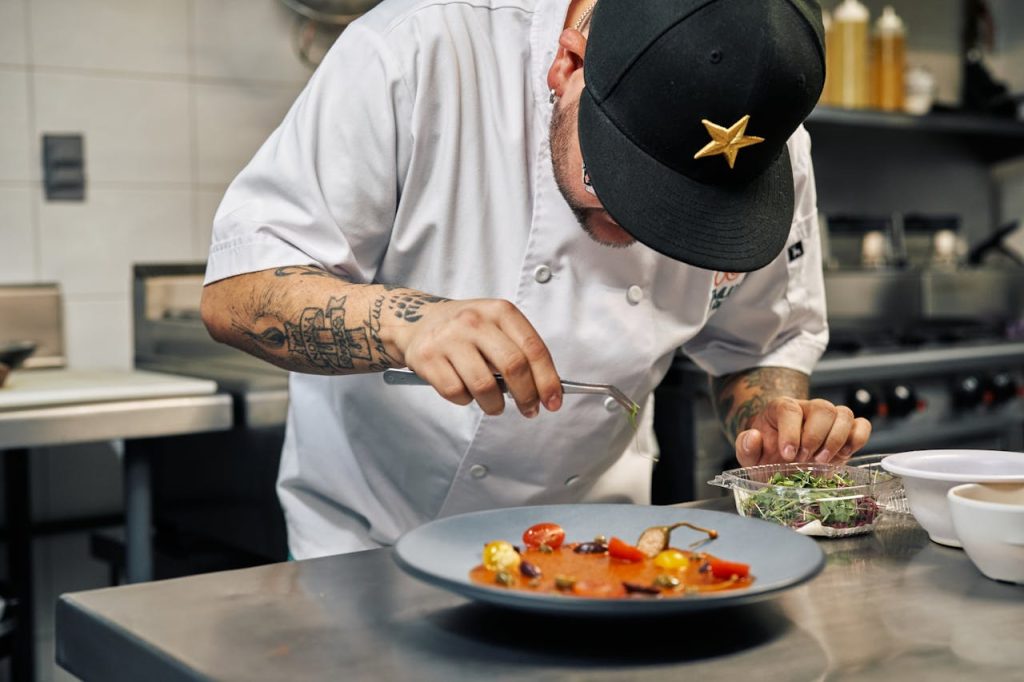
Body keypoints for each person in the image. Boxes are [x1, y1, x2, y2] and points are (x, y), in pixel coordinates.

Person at [200, 0, 871, 559]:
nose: (642, 231)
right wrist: (406, 322)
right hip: (370, 555)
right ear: (568, 63)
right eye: (618, 179)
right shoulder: (414, 52)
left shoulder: (761, 149)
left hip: (602, 551)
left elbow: (757, 347)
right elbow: (237, 291)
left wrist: (771, 422)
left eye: (685, 212)